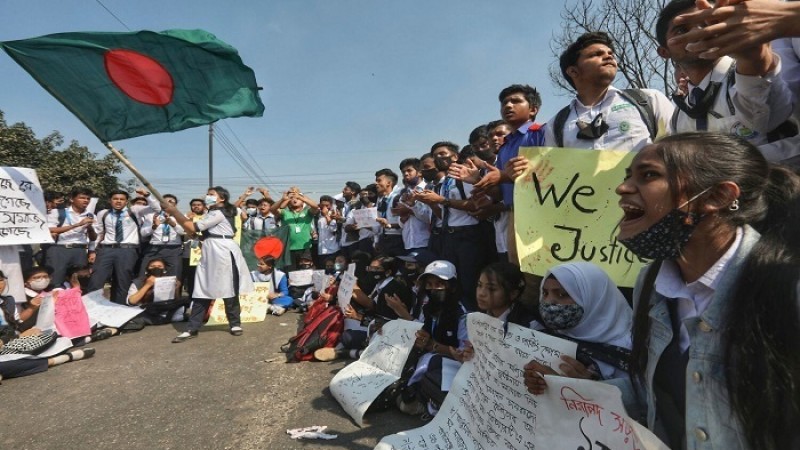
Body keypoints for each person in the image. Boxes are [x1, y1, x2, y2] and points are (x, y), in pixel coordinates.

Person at [532, 132, 800, 449]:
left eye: (649, 175)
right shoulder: (651, 286)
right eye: (626, 176)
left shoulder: (786, 289)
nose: (622, 188)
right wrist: (588, 389)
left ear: (717, 197)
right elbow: (661, 400)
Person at [656, 0, 794, 148]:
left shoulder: (753, 71)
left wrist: (756, 61)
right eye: (682, 30)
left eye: (705, 24)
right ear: (664, 52)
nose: (697, 32)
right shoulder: (679, 117)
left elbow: (765, 119)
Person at [544, 31, 674, 151]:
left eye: (611, 53)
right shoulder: (555, 126)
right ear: (573, 71)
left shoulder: (650, 100)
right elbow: (551, 171)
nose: (608, 56)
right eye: (596, 54)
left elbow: (678, 148)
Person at [163, 186, 255, 343]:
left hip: (224, 250)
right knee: (202, 288)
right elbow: (190, 228)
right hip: (209, 251)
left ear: (222, 198)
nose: (207, 196)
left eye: (212, 194)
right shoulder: (210, 213)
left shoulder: (220, 213)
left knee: (229, 288)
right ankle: (192, 327)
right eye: (207, 194)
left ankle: (234, 324)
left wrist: (174, 211)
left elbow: (193, 226)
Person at [525, 262, 633, 381]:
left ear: (595, 298)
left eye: (562, 294)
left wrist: (590, 387)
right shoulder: (545, 336)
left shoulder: (631, 346)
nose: (549, 301)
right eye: (545, 293)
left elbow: (639, 396)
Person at [397, 260, 468, 417]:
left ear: (452, 286)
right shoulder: (428, 308)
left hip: (452, 365)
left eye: (439, 284)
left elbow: (463, 353)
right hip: (431, 357)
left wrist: (433, 346)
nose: (433, 289)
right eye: (429, 284)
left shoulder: (461, 315)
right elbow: (421, 329)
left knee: (430, 363)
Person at [87, 188, 160, 304]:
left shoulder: (134, 211)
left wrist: (147, 195)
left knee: (122, 282)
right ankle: (92, 310)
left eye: (122, 199)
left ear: (126, 201)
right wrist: (92, 250)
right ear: (110, 200)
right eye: (115, 199)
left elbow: (157, 208)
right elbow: (100, 233)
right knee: (96, 281)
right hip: (106, 250)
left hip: (127, 251)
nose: (118, 201)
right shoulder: (103, 213)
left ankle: (118, 311)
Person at [45, 187, 97, 287]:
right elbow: (50, 229)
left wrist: (90, 228)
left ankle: (75, 302)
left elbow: (93, 238)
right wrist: (77, 225)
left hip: (79, 251)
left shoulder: (91, 216)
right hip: (59, 250)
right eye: (82, 198)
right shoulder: (58, 212)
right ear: (72, 199)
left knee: (78, 282)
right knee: (56, 281)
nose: (86, 200)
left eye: (88, 198)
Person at [126, 258, 189, 325]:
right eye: (152, 266)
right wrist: (147, 285)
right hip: (147, 309)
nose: (156, 268)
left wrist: (176, 289)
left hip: (164, 308)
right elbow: (131, 301)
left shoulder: (169, 281)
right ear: (147, 270)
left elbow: (175, 301)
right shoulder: (138, 282)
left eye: (160, 266)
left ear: (164, 270)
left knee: (183, 303)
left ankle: (164, 318)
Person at [138, 194, 185, 279]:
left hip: (173, 249)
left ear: (175, 205)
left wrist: (173, 224)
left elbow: (183, 232)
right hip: (154, 248)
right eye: (165, 201)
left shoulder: (181, 217)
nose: (168, 203)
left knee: (174, 276)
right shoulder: (152, 216)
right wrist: (153, 227)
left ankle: (172, 292)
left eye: (171, 201)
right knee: (144, 274)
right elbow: (143, 233)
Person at [271, 187, 319, 270]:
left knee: (305, 273)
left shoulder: (307, 212)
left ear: (302, 202)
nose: (295, 200)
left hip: (305, 249)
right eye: (292, 198)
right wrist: (282, 199)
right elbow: (272, 209)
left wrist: (301, 196)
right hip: (288, 249)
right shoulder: (285, 213)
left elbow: (315, 206)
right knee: (291, 273)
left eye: (297, 198)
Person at [394, 158, 431, 253]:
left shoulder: (429, 189)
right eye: (403, 172)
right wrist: (402, 217)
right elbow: (401, 224)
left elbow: (430, 218)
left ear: (419, 173)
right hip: (408, 243)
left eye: (409, 170)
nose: (406, 174)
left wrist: (411, 210)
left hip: (425, 242)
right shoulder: (403, 194)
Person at [374, 168, 405, 257]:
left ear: (389, 183)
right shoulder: (382, 200)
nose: (376, 184)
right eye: (376, 181)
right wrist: (377, 240)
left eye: (379, 180)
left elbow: (404, 220)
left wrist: (389, 225)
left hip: (397, 238)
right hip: (384, 238)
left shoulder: (399, 197)